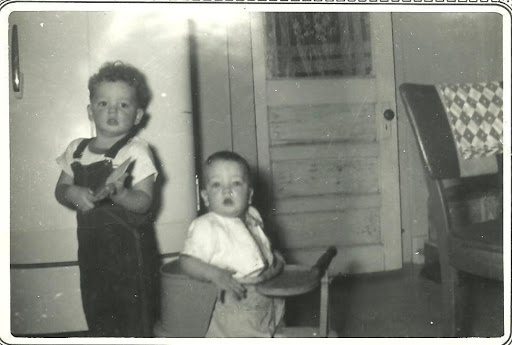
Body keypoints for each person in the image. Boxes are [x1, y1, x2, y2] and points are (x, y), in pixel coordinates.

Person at [55, 61, 159, 337]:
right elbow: (60, 189)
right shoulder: (76, 150)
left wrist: (123, 193)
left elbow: (145, 202)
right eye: (103, 103)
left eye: (123, 105)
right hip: (91, 253)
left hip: (130, 257)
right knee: (97, 311)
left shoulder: (136, 151)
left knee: (134, 319)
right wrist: (72, 192)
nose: (112, 110)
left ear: (137, 115)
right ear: (91, 111)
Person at [179, 151, 285, 337]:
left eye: (236, 183)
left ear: (249, 194)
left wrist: (273, 258)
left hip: (263, 295)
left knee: (269, 326)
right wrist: (214, 274)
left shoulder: (253, 215)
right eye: (216, 184)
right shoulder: (206, 226)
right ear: (205, 197)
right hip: (232, 303)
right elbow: (186, 261)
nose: (226, 190)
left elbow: (259, 248)